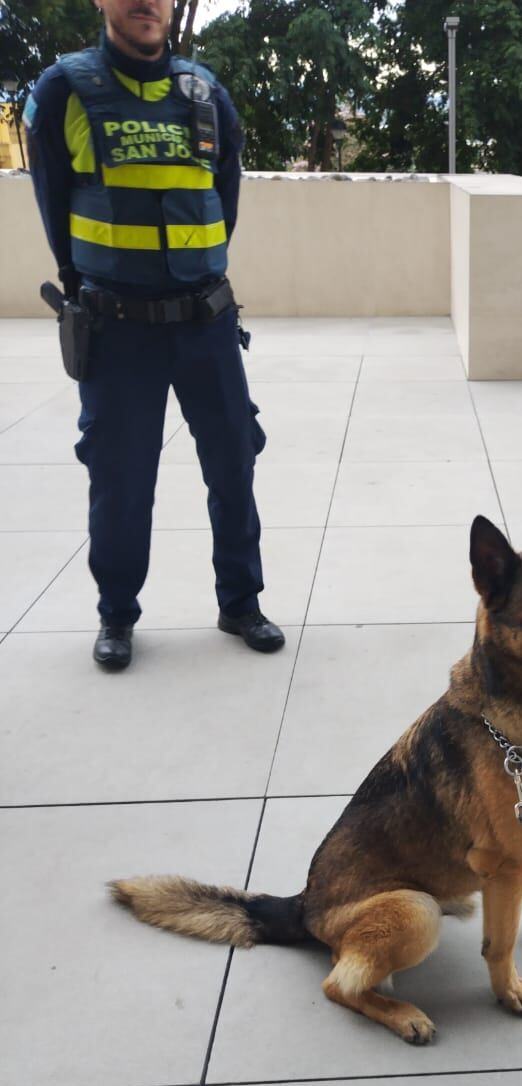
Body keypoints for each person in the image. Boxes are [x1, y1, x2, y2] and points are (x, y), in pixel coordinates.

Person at [24, 0, 284, 670]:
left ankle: (240, 603)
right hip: (117, 330)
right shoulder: (64, 89)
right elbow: (54, 203)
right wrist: (93, 283)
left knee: (234, 462)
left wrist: (197, 275)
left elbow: (224, 192)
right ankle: (117, 616)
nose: (146, 3)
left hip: (206, 322)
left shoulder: (206, 91)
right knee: (121, 477)